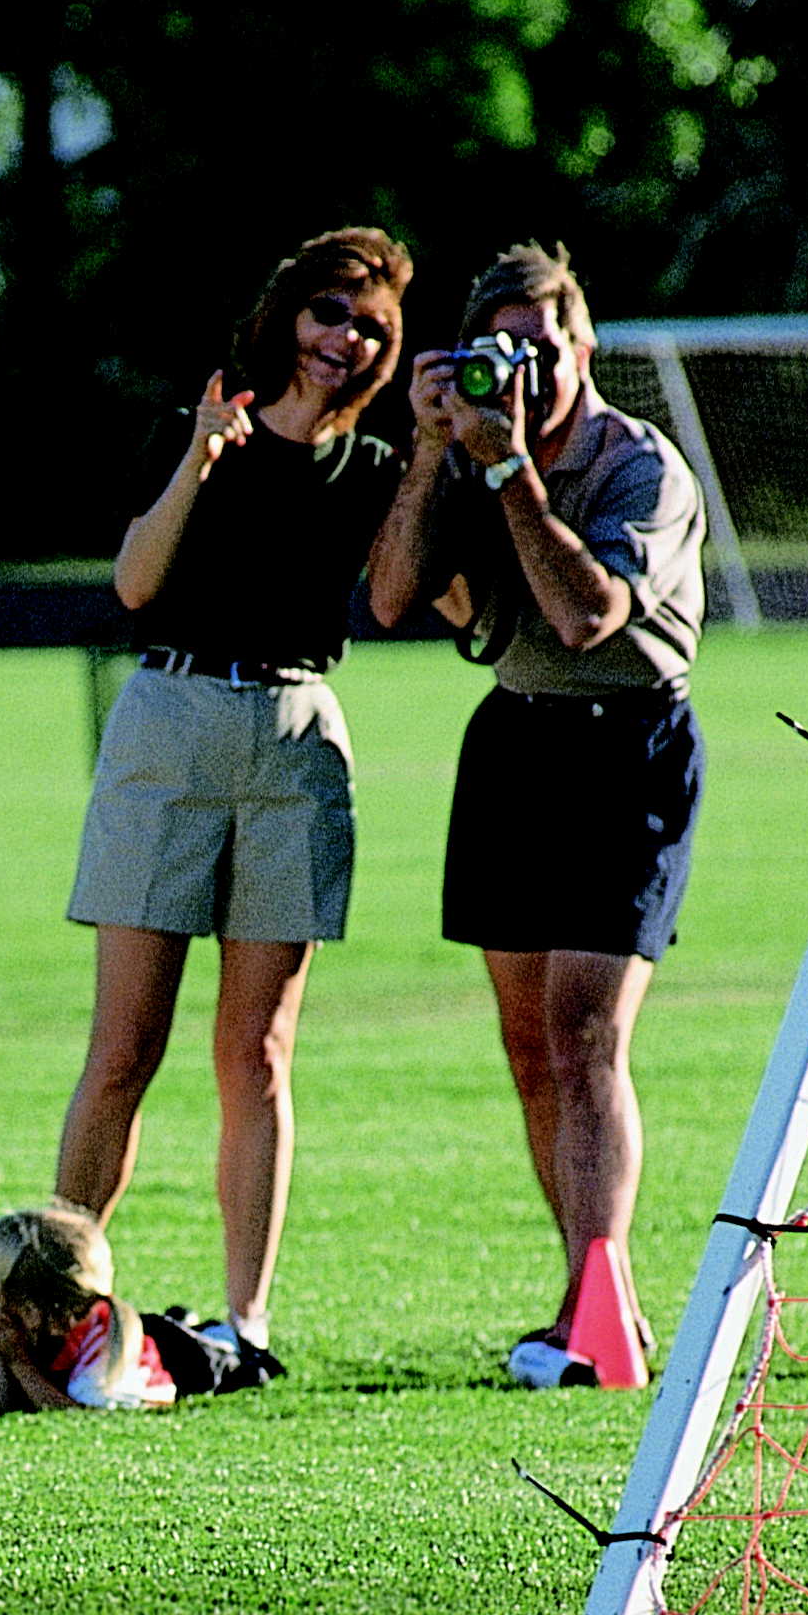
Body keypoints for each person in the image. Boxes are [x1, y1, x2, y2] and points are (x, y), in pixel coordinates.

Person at [57, 226, 413, 1379]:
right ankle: (63, 1300)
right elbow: (134, 584)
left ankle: (244, 1322)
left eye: (369, 327)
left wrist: (444, 466)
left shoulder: (380, 465)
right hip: (169, 720)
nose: (344, 340)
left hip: (297, 735)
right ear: (288, 316)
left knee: (255, 1052)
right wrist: (203, 457)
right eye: (330, 313)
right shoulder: (199, 426)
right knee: (125, 1049)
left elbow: (409, 598)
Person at [365, 241, 705, 1388]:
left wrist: (511, 473)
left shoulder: (639, 468)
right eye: (500, 350)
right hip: (513, 742)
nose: (525, 370)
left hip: (629, 746)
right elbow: (392, 595)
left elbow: (585, 615)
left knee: (585, 1033)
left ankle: (594, 1311)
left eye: (543, 344)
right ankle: (586, 1294)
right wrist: (426, 455)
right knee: (527, 1048)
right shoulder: (460, 457)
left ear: (586, 342)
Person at [0, 1204, 176, 1412]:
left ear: (31, 1309)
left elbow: (84, 1415)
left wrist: (20, 1363)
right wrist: (3, 1353)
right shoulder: (8, 1329)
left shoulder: (101, 1336)